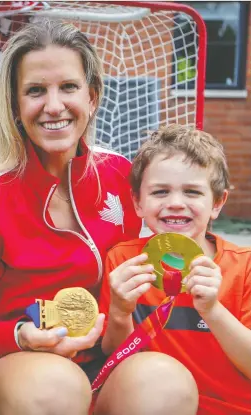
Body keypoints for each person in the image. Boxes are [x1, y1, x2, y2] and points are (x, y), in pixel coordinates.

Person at [0, 19, 193, 415]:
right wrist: (23, 336)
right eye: (36, 91)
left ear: (92, 97)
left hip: (104, 360)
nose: (54, 106)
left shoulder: (120, 173)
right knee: (56, 387)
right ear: (14, 104)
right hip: (15, 368)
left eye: (69, 87)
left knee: (167, 380)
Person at [99, 124, 251, 415]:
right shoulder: (124, 261)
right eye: (160, 191)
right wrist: (119, 311)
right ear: (137, 202)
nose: (175, 204)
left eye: (192, 192)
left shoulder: (244, 267)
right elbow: (115, 356)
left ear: (217, 203)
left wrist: (213, 310)